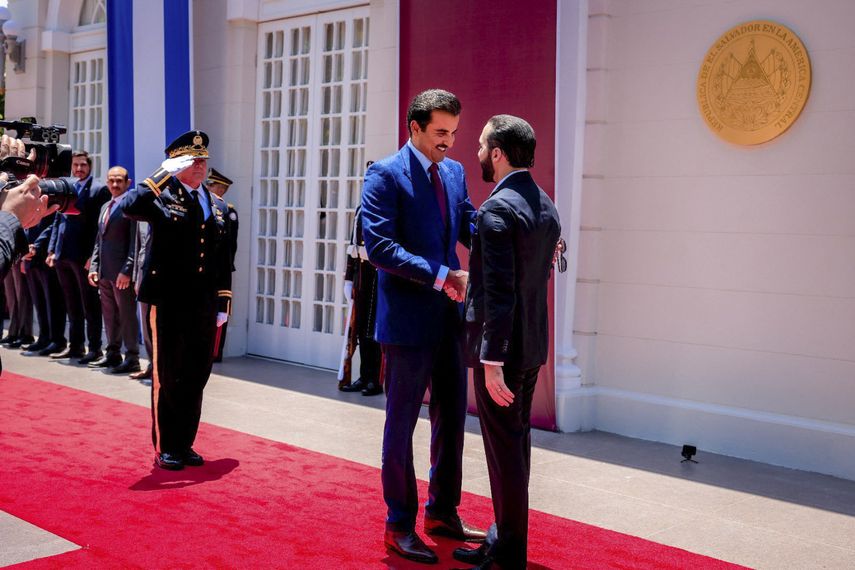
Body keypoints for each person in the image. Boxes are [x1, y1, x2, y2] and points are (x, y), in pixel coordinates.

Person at [361, 89, 484, 564]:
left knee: (452, 418)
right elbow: (380, 247)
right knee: (402, 424)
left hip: (450, 318)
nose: (449, 143)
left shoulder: (452, 172)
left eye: (453, 133)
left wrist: (517, 239)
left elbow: (469, 225)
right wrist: (442, 275)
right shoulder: (384, 174)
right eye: (440, 133)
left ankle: (442, 512)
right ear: (414, 127)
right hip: (408, 321)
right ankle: (398, 525)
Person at [453, 115, 561, 570]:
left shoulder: (499, 210)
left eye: (480, 145)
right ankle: (505, 535)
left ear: (497, 153)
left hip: (504, 351)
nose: (476, 152)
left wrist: (490, 360)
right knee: (516, 446)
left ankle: (507, 552)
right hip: (533, 344)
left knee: (505, 451)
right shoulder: (546, 205)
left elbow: (498, 292)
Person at [121, 130, 232, 471]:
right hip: (168, 301)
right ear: (177, 163)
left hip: (202, 303)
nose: (199, 166)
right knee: (169, 375)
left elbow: (223, 259)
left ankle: (185, 443)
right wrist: (164, 172)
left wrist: (222, 304)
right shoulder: (160, 196)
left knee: (197, 374)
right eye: (192, 160)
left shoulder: (217, 205)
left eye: (203, 160)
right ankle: (167, 446)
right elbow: (129, 206)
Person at [47, 150, 110, 364]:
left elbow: (99, 227)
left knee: (90, 304)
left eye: (83, 165)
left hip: (83, 256)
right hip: (64, 254)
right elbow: (59, 220)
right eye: (75, 165)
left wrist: (93, 258)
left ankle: (94, 348)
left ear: (90, 166)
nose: (79, 169)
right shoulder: (69, 187)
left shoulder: (99, 190)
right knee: (72, 304)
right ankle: (75, 346)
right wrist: (53, 249)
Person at [87, 166, 140, 374]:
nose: (115, 185)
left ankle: (132, 357)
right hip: (105, 272)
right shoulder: (105, 207)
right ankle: (112, 354)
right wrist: (94, 266)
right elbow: (99, 240)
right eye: (111, 181)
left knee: (126, 315)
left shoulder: (132, 206)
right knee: (109, 315)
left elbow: (135, 242)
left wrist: (127, 270)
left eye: (119, 181)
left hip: (121, 274)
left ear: (128, 182)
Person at [338, 203, 383, 396]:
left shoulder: (384, 206)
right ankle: (364, 376)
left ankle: (374, 379)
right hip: (361, 275)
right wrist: (349, 278)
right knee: (359, 329)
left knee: (371, 331)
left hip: (376, 274)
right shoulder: (360, 208)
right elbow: (352, 244)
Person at [21, 211, 67, 356]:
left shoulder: (50, 194)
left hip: (43, 255)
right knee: (39, 301)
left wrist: (37, 245)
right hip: (29, 256)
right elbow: (25, 225)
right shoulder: (30, 198)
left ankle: (56, 340)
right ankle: (43, 336)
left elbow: (52, 226)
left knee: (52, 302)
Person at [205, 168, 236, 363]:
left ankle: (216, 351)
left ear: (222, 189)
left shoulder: (228, 211)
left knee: (220, 310)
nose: (208, 188)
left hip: (220, 268)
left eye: (213, 186)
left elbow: (230, 245)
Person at [129, 220, 153, 381]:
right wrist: (136, 277)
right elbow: (139, 248)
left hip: (163, 279)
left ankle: (163, 367)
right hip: (143, 278)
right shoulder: (142, 216)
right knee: (146, 326)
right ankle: (152, 365)